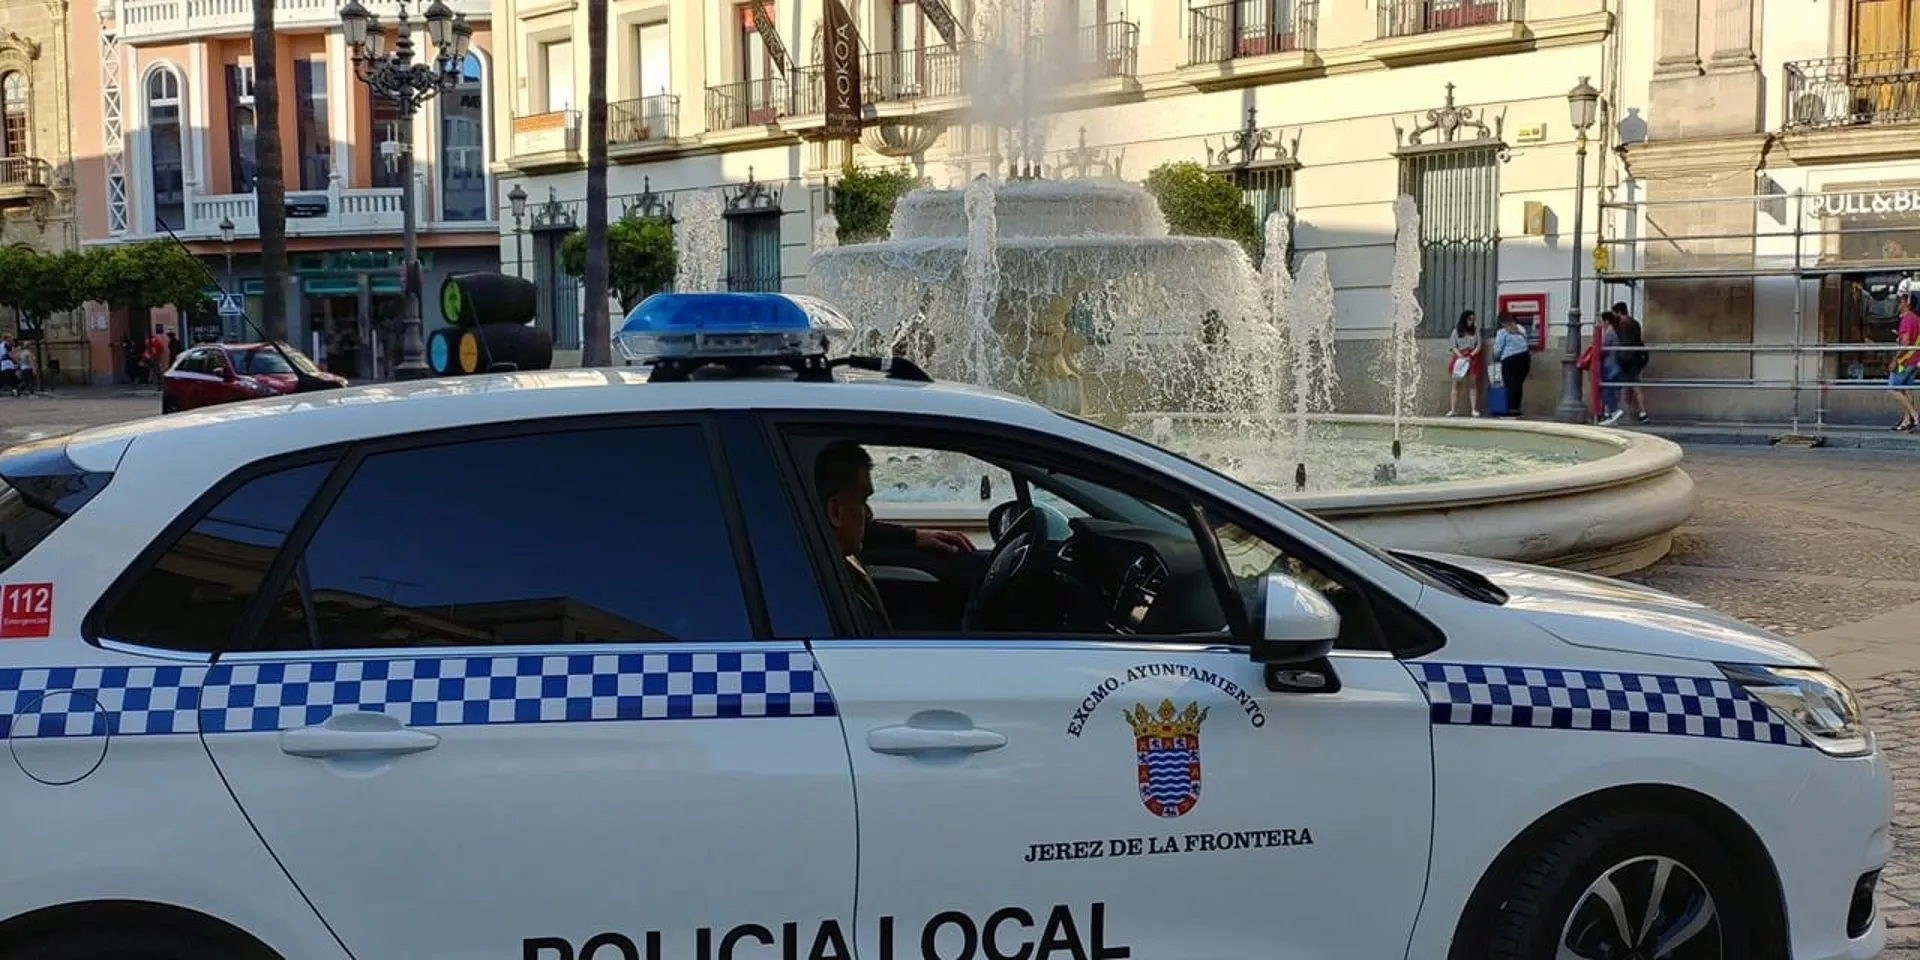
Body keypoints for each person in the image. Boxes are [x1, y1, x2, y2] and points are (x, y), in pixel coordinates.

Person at [814, 440, 976, 629]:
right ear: (836, 511)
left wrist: (914, 537)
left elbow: (867, 532)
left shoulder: (816, 558)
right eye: (863, 500)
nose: (869, 513)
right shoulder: (818, 587)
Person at [1611, 301, 1650, 423]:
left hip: (1627, 360)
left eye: (1614, 313)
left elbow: (1625, 344)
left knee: (1625, 387)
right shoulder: (1635, 323)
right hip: (1637, 358)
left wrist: (1620, 359)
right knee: (1634, 386)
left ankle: (1625, 412)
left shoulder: (1623, 325)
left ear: (1618, 312)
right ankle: (1640, 412)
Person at [1890, 294, 1920, 433]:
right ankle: (1906, 421)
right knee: (1906, 390)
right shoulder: (1916, 319)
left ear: (1906, 303)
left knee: (1893, 388)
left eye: (1900, 301)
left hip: (1905, 361)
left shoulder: (1907, 319)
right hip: (1915, 359)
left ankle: (1915, 416)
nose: (1897, 304)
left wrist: (1895, 360)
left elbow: (1906, 342)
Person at [1492, 313, 1531, 417]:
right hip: (1525, 357)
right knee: (1518, 385)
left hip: (1510, 359)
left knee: (1510, 385)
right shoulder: (1520, 328)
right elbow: (1526, 341)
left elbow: (1497, 350)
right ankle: (1516, 409)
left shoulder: (1502, 332)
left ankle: (1510, 411)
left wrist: (1495, 358)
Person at [1446, 310, 1482, 417]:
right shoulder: (1456, 331)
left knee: (1472, 384)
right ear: (1464, 319)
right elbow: (1453, 346)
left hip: (1472, 358)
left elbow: (1478, 346)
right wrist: (1461, 356)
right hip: (1459, 359)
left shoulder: (1476, 331)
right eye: (1470, 319)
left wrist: (1470, 356)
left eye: (1473, 319)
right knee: (1455, 384)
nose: (1471, 322)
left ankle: (1473, 409)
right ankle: (1453, 409)